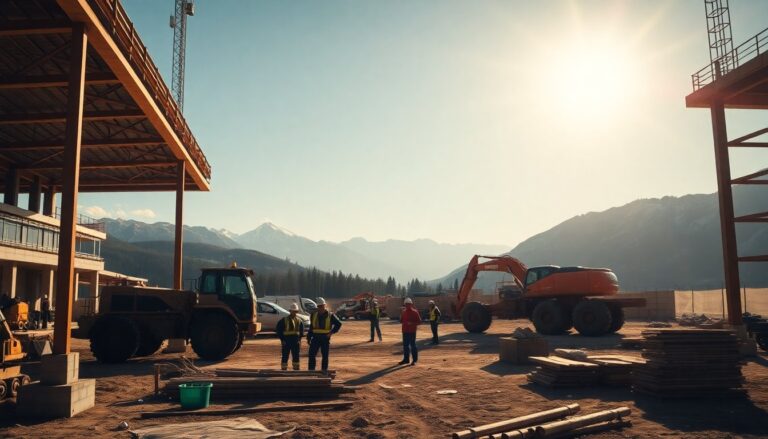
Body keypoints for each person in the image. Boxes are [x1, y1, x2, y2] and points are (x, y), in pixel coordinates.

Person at [307, 297, 342, 371]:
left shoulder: (330, 315)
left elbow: (339, 324)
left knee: (325, 356)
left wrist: (331, 332)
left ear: (324, 306)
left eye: (322, 306)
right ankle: (311, 371)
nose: (320, 308)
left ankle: (324, 371)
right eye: (319, 306)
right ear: (317, 306)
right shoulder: (313, 315)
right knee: (311, 355)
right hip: (315, 338)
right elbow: (311, 327)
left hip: (325, 338)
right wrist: (308, 338)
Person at [275, 303, 304, 370]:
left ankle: (296, 369)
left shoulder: (299, 321)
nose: (294, 313)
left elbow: (301, 332)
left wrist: (299, 340)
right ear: (290, 311)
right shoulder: (284, 320)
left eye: (295, 311)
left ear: (297, 312)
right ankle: (284, 369)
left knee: (296, 356)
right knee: (285, 356)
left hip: (295, 341)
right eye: (293, 311)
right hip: (286, 341)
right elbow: (279, 330)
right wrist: (282, 340)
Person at [399, 297, 421, 366]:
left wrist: (412, 323)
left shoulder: (415, 312)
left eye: (408, 304)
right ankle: (406, 359)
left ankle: (414, 360)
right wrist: (401, 319)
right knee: (405, 346)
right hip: (405, 331)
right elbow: (401, 320)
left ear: (411, 304)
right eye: (406, 304)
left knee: (413, 345)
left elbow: (419, 321)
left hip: (412, 331)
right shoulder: (403, 312)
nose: (407, 305)